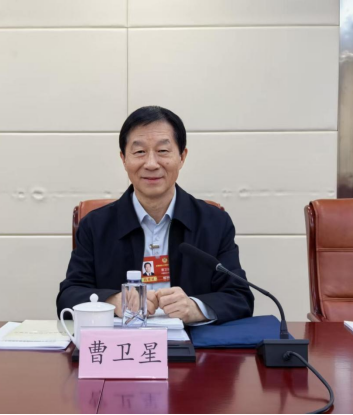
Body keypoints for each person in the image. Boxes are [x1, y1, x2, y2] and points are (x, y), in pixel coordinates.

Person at [57, 106, 254, 325]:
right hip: (122, 343)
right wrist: (115, 302)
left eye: (162, 151)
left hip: (191, 343)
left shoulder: (213, 223)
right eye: (139, 152)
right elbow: (69, 295)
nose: (151, 164)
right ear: (124, 159)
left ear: (182, 157)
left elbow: (240, 297)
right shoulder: (95, 226)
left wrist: (194, 307)